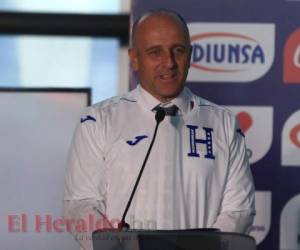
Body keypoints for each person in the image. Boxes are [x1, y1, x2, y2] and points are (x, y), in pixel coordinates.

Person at [64, 9, 255, 250]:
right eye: (155, 52)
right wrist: (114, 245)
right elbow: (80, 203)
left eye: (178, 50)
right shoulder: (98, 120)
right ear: (134, 58)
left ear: (190, 55)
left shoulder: (224, 123)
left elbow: (239, 209)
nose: (169, 63)